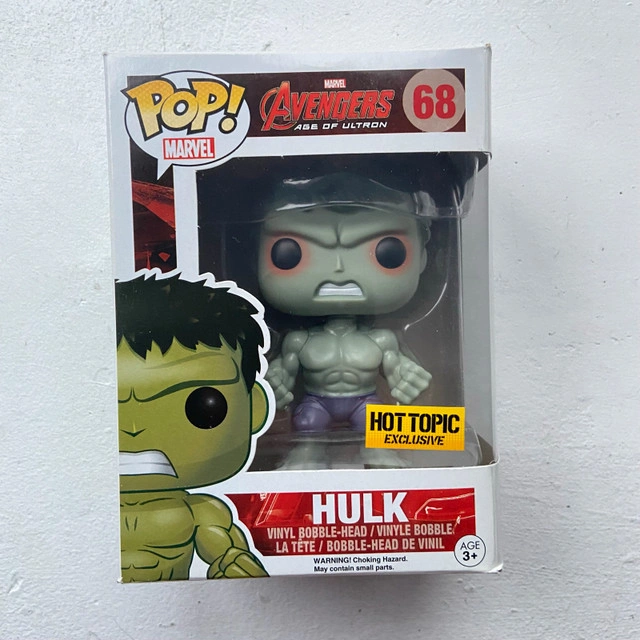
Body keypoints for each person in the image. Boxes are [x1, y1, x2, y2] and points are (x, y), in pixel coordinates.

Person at [258, 174, 432, 469]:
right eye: (290, 253)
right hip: (316, 402)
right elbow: (282, 375)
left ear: (423, 258)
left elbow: (398, 372)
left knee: (373, 420)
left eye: (388, 253)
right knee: (308, 420)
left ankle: (377, 451)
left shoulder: (382, 339)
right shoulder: (299, 341)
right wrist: (272, 385)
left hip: (364, 401)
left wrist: (410, 379)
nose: (338, 270)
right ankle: (307, 453)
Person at [116, 274, 269, 580]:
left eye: (203, 407)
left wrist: (234, 564)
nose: (133, 430)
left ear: (256, 409)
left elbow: (231, 558)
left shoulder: (200, 513)